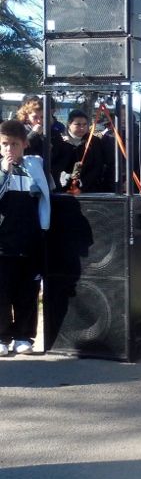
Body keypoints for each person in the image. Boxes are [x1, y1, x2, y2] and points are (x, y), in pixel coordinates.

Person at [0, 120, 51, 356]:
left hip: (30, 241)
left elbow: (46, 194)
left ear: (24, 144)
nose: (10, 149)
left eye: (14, 144)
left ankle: (23, 336)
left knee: (27, 292)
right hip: (3, 243)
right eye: (4, 144)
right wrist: (3, 173)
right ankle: (2, 337)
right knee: (2, 291)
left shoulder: (35, 166)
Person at [51, 109, 106, 194]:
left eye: (85, 124)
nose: (82, 128)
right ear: (69, 124)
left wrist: (83, 185)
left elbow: (97, 165)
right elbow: (56, 166)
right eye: (78, 124)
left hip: (89, 188)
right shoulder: (59, 140)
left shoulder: (94, 141)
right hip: (63, 188)